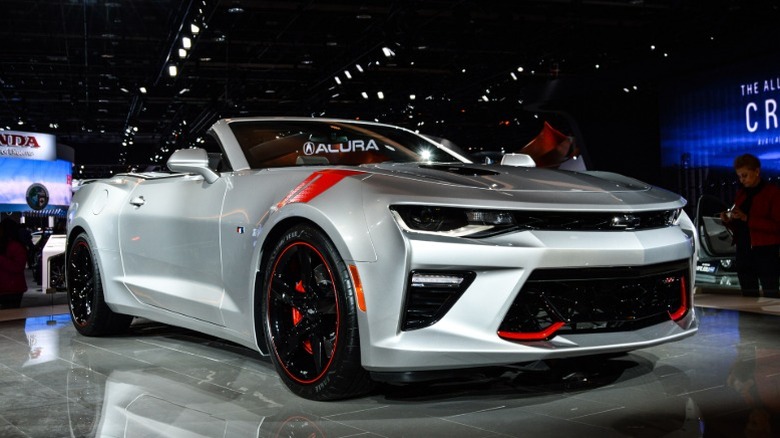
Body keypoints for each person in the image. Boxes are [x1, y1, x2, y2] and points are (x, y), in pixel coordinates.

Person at [720, 154, 780, 298]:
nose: (742, 180)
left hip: (766, 251)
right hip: (744, 251)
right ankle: (752, 320)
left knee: (770, 293)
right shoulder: (741, 194)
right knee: (747, 294)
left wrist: (747, 218)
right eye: (740, 176)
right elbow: (740, 225)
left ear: (757, 172)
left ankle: (771, 321)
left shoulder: (773, 193)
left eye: (745, 175)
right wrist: (728, 220)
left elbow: (777, 226)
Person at [0, 217, 28, 308]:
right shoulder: (14, 246)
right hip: (10, 287)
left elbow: (18, 267)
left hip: (12, 288)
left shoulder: (15, 246)